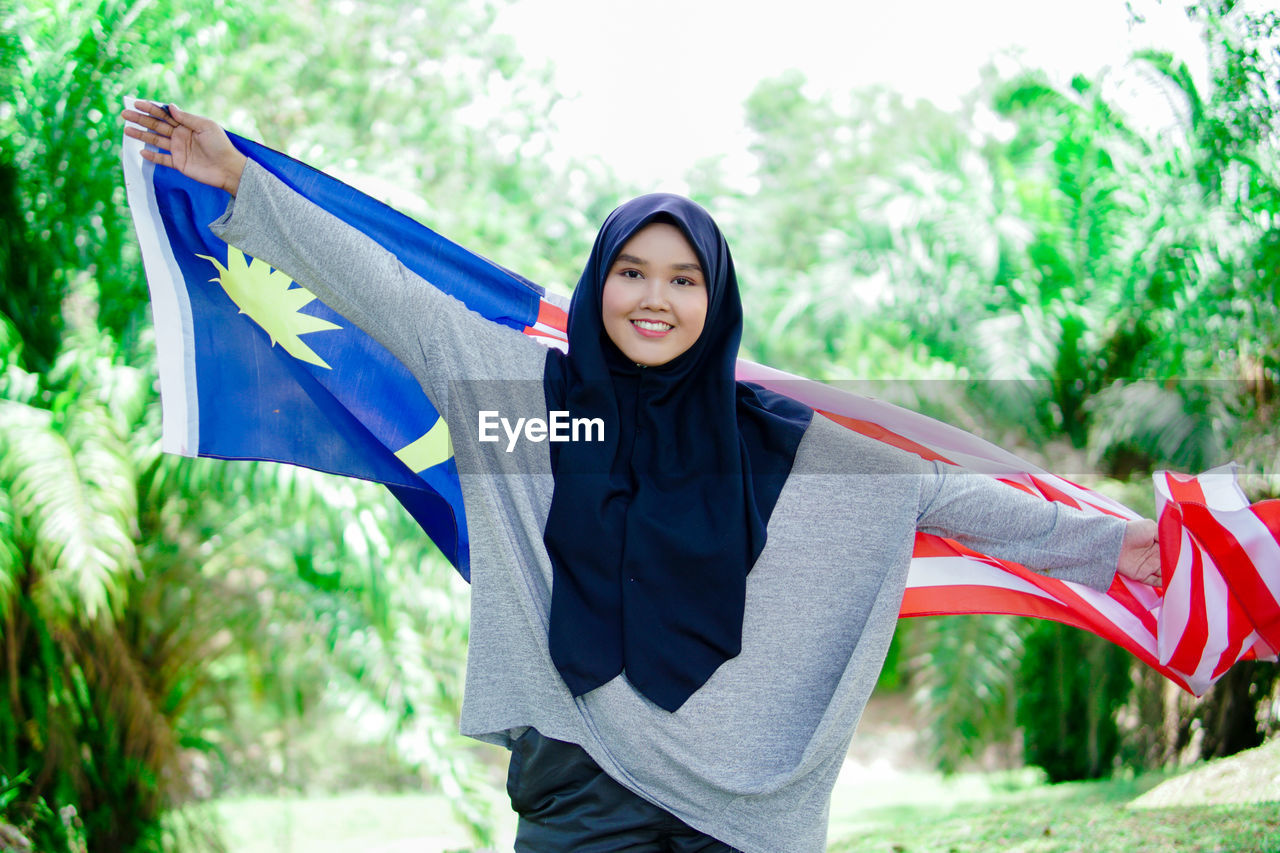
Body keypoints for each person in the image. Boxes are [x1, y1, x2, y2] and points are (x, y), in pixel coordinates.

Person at [122, 100, 1162, 852]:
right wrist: (242, 184)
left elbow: (936, 494)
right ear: (596, 281)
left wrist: (1117, 542)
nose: (651, 298)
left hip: (738, 807)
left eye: (681, 279)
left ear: (716, 303)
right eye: (629, 272)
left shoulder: (777, 441)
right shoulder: (520, 401)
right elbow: (385, 291)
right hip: (575, 787)